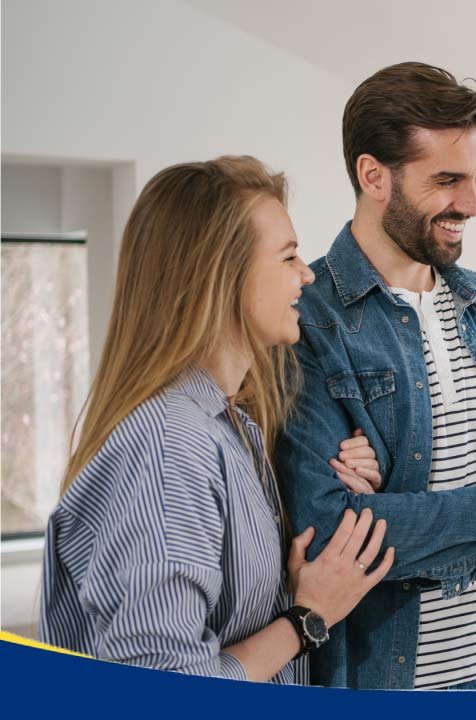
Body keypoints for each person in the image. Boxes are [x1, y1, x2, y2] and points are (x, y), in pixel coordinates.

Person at [275, 62, 476, 691]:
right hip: (391, 679)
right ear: (374, 176)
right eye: (447, 180)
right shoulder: (304, 320)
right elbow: (330, 533)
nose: (471, 205)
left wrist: (397, 510)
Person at [40, 156, 393, 683]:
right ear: (222, 276)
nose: (307, 273)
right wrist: (306, 619)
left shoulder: (230, 425)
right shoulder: (167, 448)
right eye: (289, 256)